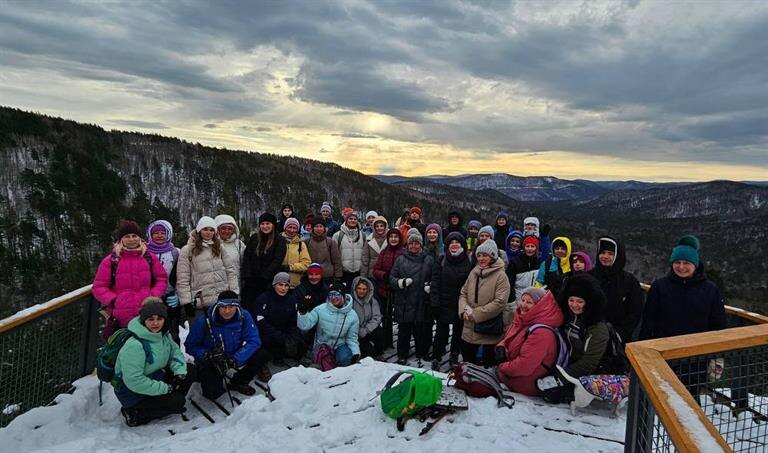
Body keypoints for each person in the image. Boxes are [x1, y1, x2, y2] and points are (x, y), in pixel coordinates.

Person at [114, 298, 193, 427]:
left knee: (189, 371)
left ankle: (167, 402)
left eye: (159, 319)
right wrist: (164, 389)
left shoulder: (163, 334)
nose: (155, 323)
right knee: (178, 402)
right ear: (143, 320)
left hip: (154, 376)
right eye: (151, 319)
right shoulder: (134, 345)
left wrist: (179, 373)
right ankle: (136, 413)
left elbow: (175, 353)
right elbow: (134, 380)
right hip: (132, 393)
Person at [185, 291, 268, 397]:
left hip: (233, 356)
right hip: (213, 360)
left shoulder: (244, 316)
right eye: (223, 307)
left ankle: (238, 381)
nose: (227, 311)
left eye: (231, 306)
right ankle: (202, 374)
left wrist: (236, 358)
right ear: (218, 306)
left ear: (237, 306)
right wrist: (207, 354)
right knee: (212, 394)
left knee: (262, 354)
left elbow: (254, 340)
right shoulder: (205, 320)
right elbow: (190, 345)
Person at [640, 239, 726, 340]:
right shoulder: (659, 287)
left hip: (699, 347)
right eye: (677, 262)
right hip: (664, 347)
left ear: (695, 265)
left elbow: (718, 323)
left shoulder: (710, 289)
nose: (681, 267)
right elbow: (648, 321)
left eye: (686, 263)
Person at [93, 220, 168, 334]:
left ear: (140, 238)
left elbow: (161, 279)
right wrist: (114, 300)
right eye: (127, 236)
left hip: (147, 314)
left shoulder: (149, 258)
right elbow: (99, 286)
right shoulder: (111, 260)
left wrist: (153, 296)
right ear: (121, 239)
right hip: (121, 316)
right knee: (126, 349)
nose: (131, 239)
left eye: (134, 236)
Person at [496, 287, 564, 396]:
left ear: (539, 306)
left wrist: (501, 367)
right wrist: (501, 346)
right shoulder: (523, 319)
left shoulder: (542, 332)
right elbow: (509, 338)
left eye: (529, 302)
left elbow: (525, 366)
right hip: (510, 373)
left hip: (525, 383)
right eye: (522, 300)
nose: (523, 305)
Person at [458, 240, 510, 367]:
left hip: (489, 328)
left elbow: (500, 302)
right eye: (479, 255)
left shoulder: (501, 276)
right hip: (469, 325)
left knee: (488, 362)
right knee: (467, 359)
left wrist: (476, 314)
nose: (481, 258)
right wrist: (463, 310)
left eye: (485, 255)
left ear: (492, 257)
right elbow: (463, 293)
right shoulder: (474, 272)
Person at [176, 216, 239, 316]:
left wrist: (234, 293)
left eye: (211, 230)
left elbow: (230, 271)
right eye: (205, 229)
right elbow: (182, 278)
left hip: (221, 301)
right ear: (199, 230)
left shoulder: (219, 247)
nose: (208, 232)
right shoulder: (188, 250)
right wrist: (186, 302)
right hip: (201, 302)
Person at [389, 231, 434, 365]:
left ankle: (422, 351)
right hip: (404, 301)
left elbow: (434, 276)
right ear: (407, 245)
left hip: (421, 300)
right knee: (404, 330)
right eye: (411, 243)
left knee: (420, 329)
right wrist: (400, 283)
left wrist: (430, 286)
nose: (414, 246)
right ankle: (402, 354)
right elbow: (392, 278)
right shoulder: (400, 259)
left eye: (417, 243)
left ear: (421, 245)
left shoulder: (428, 259)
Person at [430, 232, 472, 369]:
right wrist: (434, 302)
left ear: (462, 245)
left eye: (457, 242)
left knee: (458, 331)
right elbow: (435, 282)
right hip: (443, 301)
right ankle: (436, 356)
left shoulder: (468, 261)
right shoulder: (441, 260)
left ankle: (454, 354)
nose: (454, 245)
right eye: (451, 242)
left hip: (460, 302)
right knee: (441, 331)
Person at [588, 237, 642, 343]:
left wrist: (620, 334)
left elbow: (635, 312)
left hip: (617, 339)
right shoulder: (589, 277)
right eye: (602, 252)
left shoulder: (629, 281)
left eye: (610, 253)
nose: (605, 256)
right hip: (590, 334)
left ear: (618, 256)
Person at [559, 274, 615, 377]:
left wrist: (560, 377)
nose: (574, 305)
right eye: (571, 300)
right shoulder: (567, 317)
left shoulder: (597, 327)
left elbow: (589, 363)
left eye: (580, 301)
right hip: (566, 364)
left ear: (589, 303)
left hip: (587, 375)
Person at [298, 283, 361, 367]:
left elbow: (352, 338)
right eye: (330, 295)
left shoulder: (352, 315)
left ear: (343, 295)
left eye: (336, 294)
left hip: (340, 345)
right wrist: (303, 312)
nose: (333, 298)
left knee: (345, 359)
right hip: (322, 345)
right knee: (323, 365)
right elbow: (304, 326)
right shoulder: (321, 309)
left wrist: (355, 353)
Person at [252, 272, 305, 366]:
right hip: (267, 334)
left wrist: (292, 336)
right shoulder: (263, 299)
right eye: (280, 285)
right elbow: (261, 322)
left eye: (286, 285)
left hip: (283, 333)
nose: (283, 288)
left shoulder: (291, 300)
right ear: (274, 285)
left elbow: (293, 321)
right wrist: (279, 335)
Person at [241, 212, 287, 312]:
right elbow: (247, 257)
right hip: (251, 282)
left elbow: (277, 260)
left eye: (267, 223)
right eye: (262, 224)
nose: (265, 226)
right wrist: (247, 276)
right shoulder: (254, 238)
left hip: (267, 282)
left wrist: (265, 276)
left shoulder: (280, 240)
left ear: (273, 225)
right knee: (249, 309)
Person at [145, 219, 182, 343]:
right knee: (153, 326)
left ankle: (173, 351)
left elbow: (181, 274)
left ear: (168, 234)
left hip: (170, 294)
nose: (159, 235)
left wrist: (178, 294)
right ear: (150, 234)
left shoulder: (175, 252)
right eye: (156, 233)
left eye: (162, 233)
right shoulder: (144, 252)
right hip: (151, 295)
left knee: (172, 326)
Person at [372, 228, 405, 350]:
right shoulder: (384, 252)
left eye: (396, 237)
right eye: (391, 237)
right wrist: (384, 275)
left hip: (399, 290)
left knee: (399, 317)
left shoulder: (403, 252)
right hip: (384, 289)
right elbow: (375, 270)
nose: (393, 239)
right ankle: (386, 341)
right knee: (385, 316)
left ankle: (402, 342)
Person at [350, 276, 384, 359]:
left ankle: (379, 353)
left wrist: (367, 329)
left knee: (380, 332)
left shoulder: (372, 301)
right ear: (355, 289)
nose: (361, 291)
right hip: (355, 333)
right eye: (359, 288)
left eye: (364, 289)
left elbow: (377, 317)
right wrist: (359, 331)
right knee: (368, 352)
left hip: (367, 329)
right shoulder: (350, 302)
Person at [333, 209, 366, 290]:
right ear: (346, 220)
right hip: (344, 274)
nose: (353, 221)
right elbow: (334, 256)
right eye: (350, 219)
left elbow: (365, 254)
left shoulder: (363, 235)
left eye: (355, 219)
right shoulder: (338, 235)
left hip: (359, 273)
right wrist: (337, 274)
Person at [306, 217, 342, 283]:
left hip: (327, 276)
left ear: (324, 228)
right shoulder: (307, 242)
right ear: (313, 228)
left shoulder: (330, 242)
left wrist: (338, 276)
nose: (318, 229)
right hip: (311, 275)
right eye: (316, 226)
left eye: (321, 226)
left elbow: (337, 260)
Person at [506, 235, 542, 305]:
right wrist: (511, 301)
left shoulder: (539, 263)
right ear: (523, 248)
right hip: (517, 299)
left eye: (532, 246)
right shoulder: (515, 262)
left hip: (533, 300)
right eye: (527, 246)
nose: (530, 249)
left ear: (536, 248)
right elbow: (509, 282)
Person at [281, 217, 311, 287]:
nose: (292, 230)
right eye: (289, 227)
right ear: (285, 228)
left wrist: (290, 267)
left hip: (295, 284)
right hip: (279, 285)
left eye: (294, 228)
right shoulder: (278, 241)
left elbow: (306, 264)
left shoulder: (301, 244)